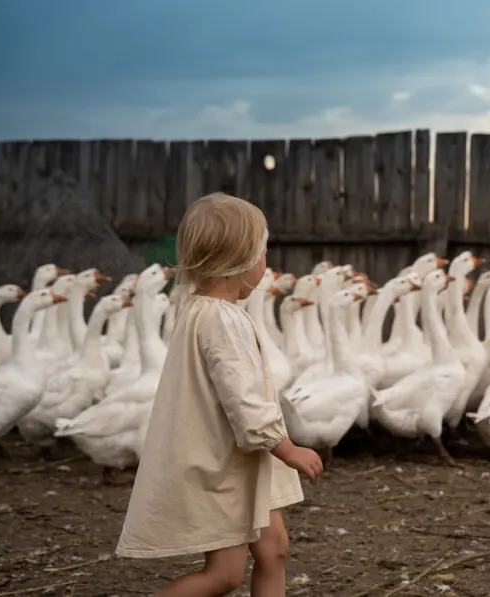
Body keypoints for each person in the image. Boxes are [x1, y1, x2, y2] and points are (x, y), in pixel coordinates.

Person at [116, 192, 324, 597]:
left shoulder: (207, 310)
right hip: (224, 464)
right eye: (263, 251)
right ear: (243, 259)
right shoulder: (219, 321)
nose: (266, 263)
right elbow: (243, 400)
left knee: (274, 550)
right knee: (224, 575)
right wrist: (286, 448)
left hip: (246, 461)